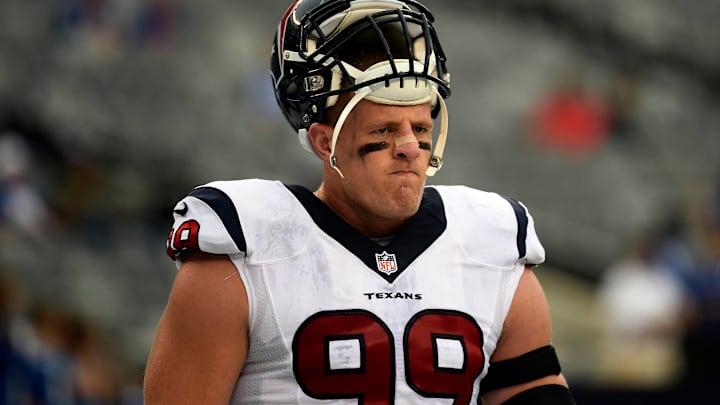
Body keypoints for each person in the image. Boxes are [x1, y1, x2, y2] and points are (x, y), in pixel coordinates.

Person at [143, 1, 574, 404]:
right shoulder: (244, 251)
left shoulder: (491, 245)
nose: (409, 146)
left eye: (421, 127)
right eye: (384, 130)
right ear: (325, 142)